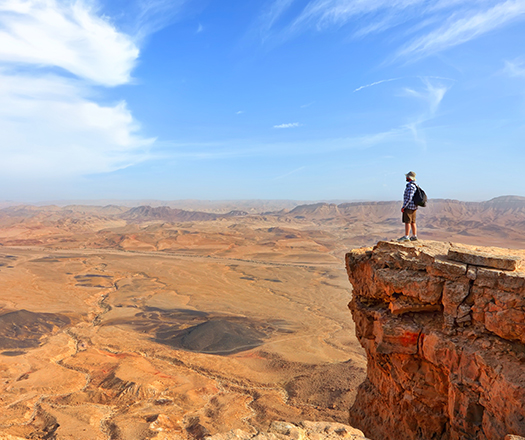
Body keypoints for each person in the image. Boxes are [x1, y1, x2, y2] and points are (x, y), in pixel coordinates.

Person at [398, 171, 418, 242]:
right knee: (413, 222)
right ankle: (414, 236)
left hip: (409, 207)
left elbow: (409, 197)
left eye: (407, 176)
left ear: (409, 178)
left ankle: (406, 236)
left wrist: (404, 206)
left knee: (407, 222)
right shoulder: (415, 185)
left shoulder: (410, 186)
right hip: (414, 207)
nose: (406, 178)